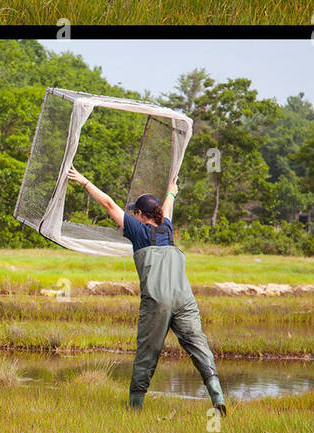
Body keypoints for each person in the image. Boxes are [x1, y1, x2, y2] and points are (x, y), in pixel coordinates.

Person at [65, 167, 227, 415]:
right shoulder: (168, 229)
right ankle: (216, 394)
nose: (132, 216)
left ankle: (135, 408)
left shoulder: (138, 231)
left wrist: (85, 181)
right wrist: (171, 193)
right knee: (198, 346)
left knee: (147, 353)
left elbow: (109, 205)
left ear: (140, 215)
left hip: (157, 300)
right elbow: (168, 210)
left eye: (135, 213)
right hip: (185, 299)